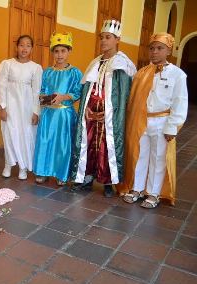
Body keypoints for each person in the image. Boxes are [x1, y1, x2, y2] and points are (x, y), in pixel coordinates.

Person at [118, 33, 188, 208]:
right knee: (140, 154)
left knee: (158, 157)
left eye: (159, 48)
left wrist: (172, 127)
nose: (155, 52)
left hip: (163, 121)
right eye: (152, 48)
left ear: (168, 50)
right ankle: (137, 188)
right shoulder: (142, 73)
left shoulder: (178, 75)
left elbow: (180, 101)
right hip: (142, 120)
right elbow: (133, 99)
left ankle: (153, 193)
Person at [70, 20, 136, 197]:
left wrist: (108, 113)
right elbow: (87, 90)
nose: (104, 41)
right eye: (102, 38)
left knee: (107, 147)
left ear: (117, 40)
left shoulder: (122, 64)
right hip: (90, 114)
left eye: (108, 37)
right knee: (89, 145)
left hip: (109, 116)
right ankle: (87, 178)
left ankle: (107, 182)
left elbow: (122, 95)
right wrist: (86, 110)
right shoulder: (95, 63)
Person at [33, 32, 83, 185]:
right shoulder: (47, 72)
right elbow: (42, 90)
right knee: (45, 141)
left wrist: (63, 97)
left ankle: (61, 173)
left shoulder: (75, 72)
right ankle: (43, 171)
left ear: (69, 51)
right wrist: (44, 98)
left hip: (64, 114)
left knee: (62, 144)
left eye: (63, 51)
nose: (60, 54)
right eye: (56, 51)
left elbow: (78, 92)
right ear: (53, 52)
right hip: (49, 113)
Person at [0, 35, 43, 180]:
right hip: (10, 106)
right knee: (9, 134)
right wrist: (2, 106)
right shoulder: (7, 64)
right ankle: (8, 164)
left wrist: (36, 111)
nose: (24, 48)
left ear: (32, 48)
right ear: (17, 47)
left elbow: (37, 91)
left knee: (25, 135)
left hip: (26, 108)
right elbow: (1, 86)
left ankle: (23, 167)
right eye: (22, 45)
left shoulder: (35, 68)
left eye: (28, 45)